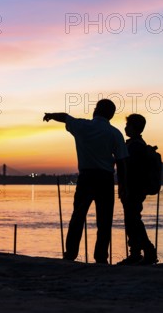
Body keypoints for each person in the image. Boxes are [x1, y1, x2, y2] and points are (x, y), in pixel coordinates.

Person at [44, 99, 128, 264]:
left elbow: (65, 117)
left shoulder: (82, 126)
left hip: (86, 177)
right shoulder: (115, 133)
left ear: (96, 110)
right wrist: (123, 186)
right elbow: (122, 163)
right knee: (104, 220)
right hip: (105, 179)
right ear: (111, 115)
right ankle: (101, 257)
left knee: (78, 216)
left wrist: (51, 116)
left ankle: (70, 254)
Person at [117, 114, 158, 265]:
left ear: (135, 127)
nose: (125, 128)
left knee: (133, 220)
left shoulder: (135, 146)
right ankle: (137, 253)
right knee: (132, 220)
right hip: (134, 189)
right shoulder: (136, 144)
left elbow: (131, 171)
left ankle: (147, 251)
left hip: (133, 189)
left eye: (128, 125)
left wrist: (125, 188)